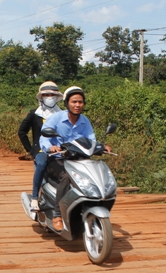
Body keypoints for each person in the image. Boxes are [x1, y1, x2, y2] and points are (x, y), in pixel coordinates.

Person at [39, 86, 109, 231]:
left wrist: (101, 147)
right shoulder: (56, 118)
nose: (77, 105)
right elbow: (44, 137)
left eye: (80, 102)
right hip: (57, 159)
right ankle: (58, 214)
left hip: (79, 160)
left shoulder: (85, 121)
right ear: (67, 103)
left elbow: (91, 139)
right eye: (74, 102)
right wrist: (50, 147)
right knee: (66, 176)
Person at [18, 81, 63, 212]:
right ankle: (34, 197)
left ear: (57, 97)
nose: (50, 97)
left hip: (59, 149)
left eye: (52, 94)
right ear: (41, 97)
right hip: (41, 150)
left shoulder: (62, 114)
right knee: (42, 164)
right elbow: (22, 132)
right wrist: (30, 150)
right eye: (46, 94)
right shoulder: (35, 114)